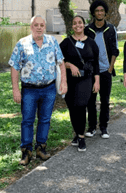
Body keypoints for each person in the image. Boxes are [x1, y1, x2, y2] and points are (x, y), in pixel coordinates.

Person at [9, 15, 68, 166]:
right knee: (27, 120)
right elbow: (15, 67)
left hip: (48, 89)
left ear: (45, 27)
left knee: (45, 119)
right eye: (36, 25)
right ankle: (26, 151)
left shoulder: (52, 42)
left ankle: (41, 148)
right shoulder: (22, 44)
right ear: (31, 27)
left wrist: (64, 83)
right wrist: (16, 89)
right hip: (29, 90)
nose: (39, 27)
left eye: (42, 25)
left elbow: (61, 63)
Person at [60, 15, 100, 152]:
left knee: (81, 105)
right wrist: (70, 65)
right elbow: (58, 61)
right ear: (72, 26)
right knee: (72, 107)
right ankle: (77, 133)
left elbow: (96, 65)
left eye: (80, 23)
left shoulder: (91, 43)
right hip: (70, 80)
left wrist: (97, 81)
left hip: (86, 79)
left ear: (84, 25)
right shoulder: (66, 43)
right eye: (75, 23)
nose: (78, 25)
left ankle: (81, 137)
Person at [85, 0, 119, 139]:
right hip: (91, 71)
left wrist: (110, 68)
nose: (99, 13)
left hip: (106, 71)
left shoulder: (111, 29)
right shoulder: (88, 30)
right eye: (97, 11)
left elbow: (115, 50)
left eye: (101, 11)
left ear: (105, 13)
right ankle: (92, 127)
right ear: (93, 13)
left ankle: (104, 127)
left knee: (105, 100)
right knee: (91, 101)